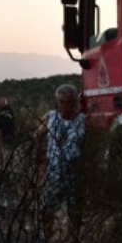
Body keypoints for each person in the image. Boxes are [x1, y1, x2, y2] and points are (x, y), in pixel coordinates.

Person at [39, 84, 86, 212]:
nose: (65, 106)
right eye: (61, 102)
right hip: (53, 174)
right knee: (46, 210)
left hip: (73, 175)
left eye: (69, 102)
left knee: (73, 212)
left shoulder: (82, 120)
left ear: (75, 102)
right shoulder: (51, 116)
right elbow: (36, 136)